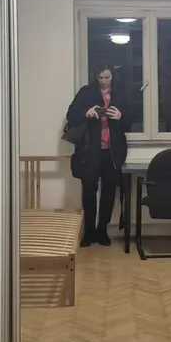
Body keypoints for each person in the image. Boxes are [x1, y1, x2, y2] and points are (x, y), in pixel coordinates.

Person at [65, 64, 129, 246]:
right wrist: (86, 113)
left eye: (107, 77)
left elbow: (129, 122)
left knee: (109, 191)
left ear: (112, 77)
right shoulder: (86, 92)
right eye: (101, 78)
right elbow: (71, 115)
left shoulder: (120, 94)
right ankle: (89, 232)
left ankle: (102, 231)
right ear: (96, 77)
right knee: (89, 190)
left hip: (112, 152)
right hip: (90, 150)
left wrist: (121, 116)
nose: (104, 81)